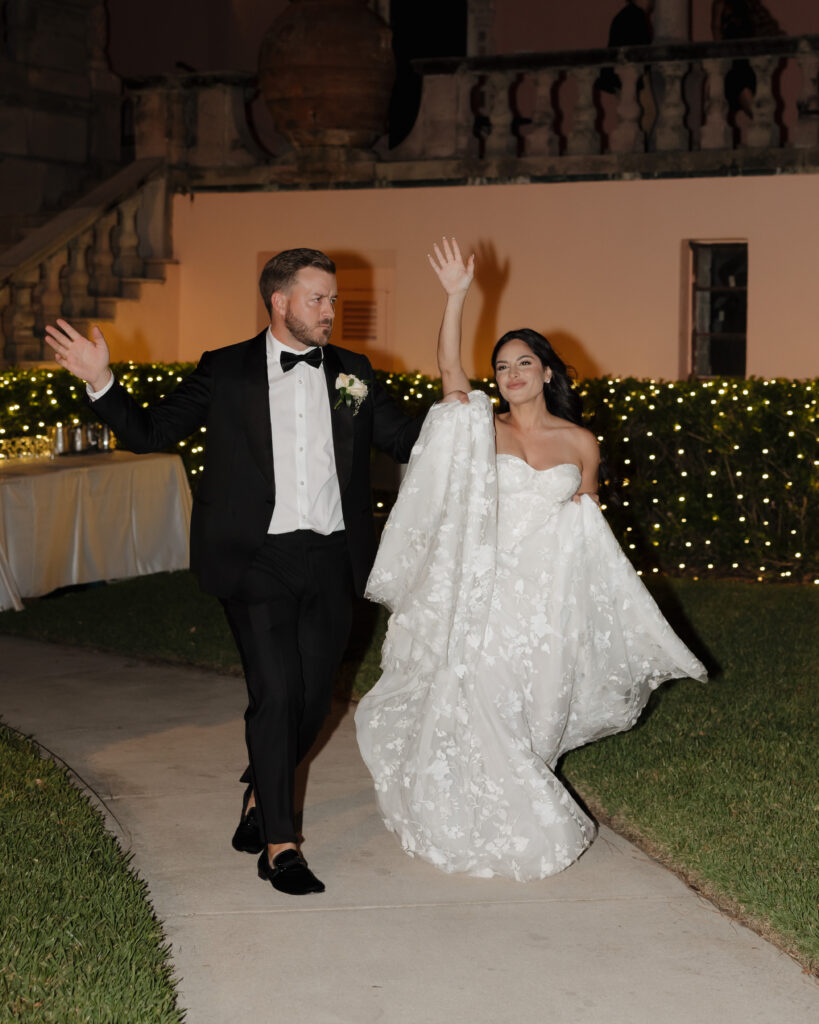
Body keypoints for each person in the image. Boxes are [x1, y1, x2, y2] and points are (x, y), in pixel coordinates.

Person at [45, 248, 422, 896]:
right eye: (317, 299)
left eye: (333, 300)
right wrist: (102, 382)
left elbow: (404, 439)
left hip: (333, 558)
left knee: (311, 701)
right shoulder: (226, 371)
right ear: (278, 302)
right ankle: (281, 844)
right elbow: (150, 429)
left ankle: (260, 787)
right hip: (256, 559)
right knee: (275, 693)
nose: (330, 311)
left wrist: (477, 426)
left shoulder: (353, 372)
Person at [355, 238, 706, 881]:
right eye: (503, 366)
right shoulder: (482, 427)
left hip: (546, 602)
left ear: (547, 372)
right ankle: (495, 812)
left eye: (524, 363)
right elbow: (449, 372)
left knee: (533, 711)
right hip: (487, 592)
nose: (512, 374)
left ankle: (513, 780)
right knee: (481, 696)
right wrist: (458, 295)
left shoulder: (581, 442)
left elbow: (588, 527)